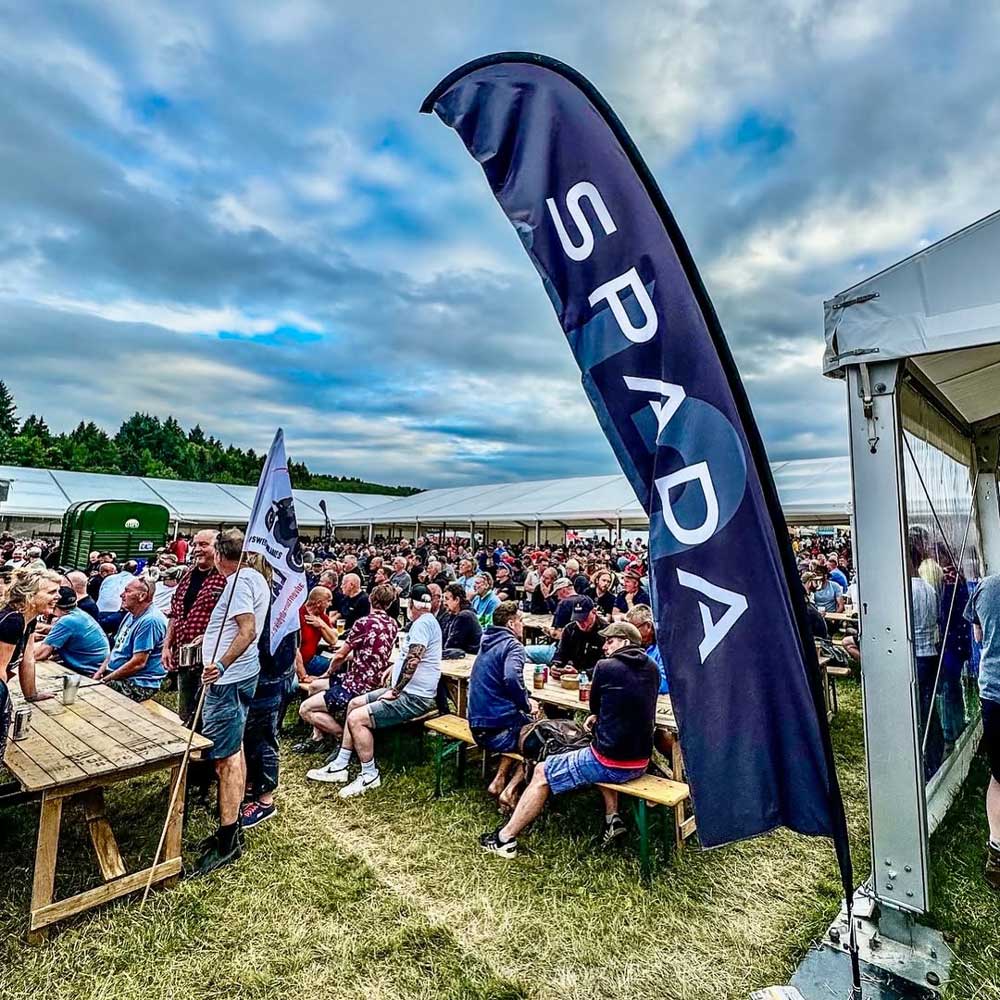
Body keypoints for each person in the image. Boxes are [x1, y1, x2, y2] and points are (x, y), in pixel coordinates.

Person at [480, 621, 659, 858]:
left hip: (611, 762)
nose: (604, 646)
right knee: (589, 743)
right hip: (640, 760)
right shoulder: (653, 668)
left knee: (543, 771)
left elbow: (593, 706)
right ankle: (612, 818)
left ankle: (505, 839)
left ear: (625, 642)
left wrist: (598, 716)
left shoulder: (606, 667)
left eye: (610, 640)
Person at [315, 584, 441, 798]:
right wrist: (395, 667)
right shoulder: (429, 622)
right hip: (407, 690)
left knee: (356, 718)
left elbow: (414, 658)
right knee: (354, 703)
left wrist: (395, 690)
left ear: (411, 605)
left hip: (413, 696)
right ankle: (341, 763)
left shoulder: (420, 625)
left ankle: (369, 773)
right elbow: (413, 656)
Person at [193, 528, 270, 876]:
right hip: (241, 673)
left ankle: (227, 839)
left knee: (225, 759)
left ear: (222, 554)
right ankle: (232, 825)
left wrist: (220, 664)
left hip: (229, 678)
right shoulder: (254, 577)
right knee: (234, 751)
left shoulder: (239, 581)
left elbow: (247, 630)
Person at [301, 584, 400, 762]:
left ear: (370, 598)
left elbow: (340, 654)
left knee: (305, 709)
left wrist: (329, 671)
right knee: (314, 687)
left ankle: (342, 736)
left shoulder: (363, 623)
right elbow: (370, 650)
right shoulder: (393, 624)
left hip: (355, 685)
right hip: (371, 680)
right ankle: (318, 737)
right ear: (390, 603)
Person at [468, 601, 536, 808]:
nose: (523, 626)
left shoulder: (487, 641)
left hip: (477, 725)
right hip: (496, 729)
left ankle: (498, 779)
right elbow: (512, 678)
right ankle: (511, 790)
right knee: (539, 736)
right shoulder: (513, 645)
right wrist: (526, 703)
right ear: (510, 623)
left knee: (521, 725)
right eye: (521, 621)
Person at [241, 599, 299, 829]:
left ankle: (265, 801)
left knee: (264, 738)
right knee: (252, 736)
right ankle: (250, 786)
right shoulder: (283, 603)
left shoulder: (280, 605)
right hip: (268, 677)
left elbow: (279, 647)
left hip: (270, 678)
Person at [162, 529, 226, 728]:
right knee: (186, 709)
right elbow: (175, 613)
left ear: (218, 548)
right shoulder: (188, 574)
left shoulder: (226, 577)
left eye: (203, 545)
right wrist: (166, 646)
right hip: (184, 653)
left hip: (210, 657)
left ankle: (203, 754)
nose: (197, 549)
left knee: (206, 714)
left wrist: (208, 636)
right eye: (195, 544)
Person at [963, 571, 1000, 889]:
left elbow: (977, 636)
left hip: (994, 690)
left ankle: (997, 855)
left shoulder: (988, 586)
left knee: (999, 776)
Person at [94, 577, 168, 701]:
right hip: (116, 675)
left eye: (127, 591)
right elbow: (117, 647)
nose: (121, 595)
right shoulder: (130, 614)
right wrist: (99, 673)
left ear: (142, 596)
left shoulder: (150, 621)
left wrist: (105, 680)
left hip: (138, 683)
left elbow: (138, 663)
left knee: (91, 696)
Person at [0, 567, 61, 704]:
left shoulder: (29, 617)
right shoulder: (12, 620)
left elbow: (28, 659)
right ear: (30, 596)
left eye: (58, 591)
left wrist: (32, 695)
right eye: (52, 592)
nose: (58, 596)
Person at [34, 586, 110, 677]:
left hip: (88, 672)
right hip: (96, 665)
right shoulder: (78, 614)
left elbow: (41, 654)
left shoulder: (67, 621)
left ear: (54, 604)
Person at [549, 596, 608, 679]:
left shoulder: (606, 631)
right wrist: (555, 666)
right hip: (572, 676)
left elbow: (607, 665)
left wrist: (581, 673)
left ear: (594, 612)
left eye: (584, 619)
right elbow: (560, 653)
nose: (581, 623)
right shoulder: (570, 629)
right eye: (578, 620)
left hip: (596, 679)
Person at [298, 585, 336, 678]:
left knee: (339, 663)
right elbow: (295, 650)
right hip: (300, 663)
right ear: (319, 603)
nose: (330, 605)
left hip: (312, 659)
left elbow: (333, 640)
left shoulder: (321, 617)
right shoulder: (299, 615)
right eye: (328, 601)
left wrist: (321, 625)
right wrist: (303, 675)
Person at [439, 583, 483, 654]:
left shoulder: (465, 616)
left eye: (447, 599)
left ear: (456, 600)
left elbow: (452, 645)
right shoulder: (448, 615)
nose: (444, 603)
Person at [96, 561, 133, 636]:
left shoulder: (108, 578)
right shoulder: (134, 580)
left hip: (100, 610)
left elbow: (100, 593)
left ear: (122, 568)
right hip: (117, 612)